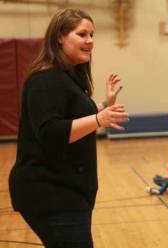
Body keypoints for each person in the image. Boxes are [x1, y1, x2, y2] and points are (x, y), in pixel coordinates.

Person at [8, 9, 129, 248]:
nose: (90, 40)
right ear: (60, 37)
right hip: (50, 194)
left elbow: (74, 117)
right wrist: (98, 120)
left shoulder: (68, 77)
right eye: (82, 34)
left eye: (92, 34)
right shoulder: (45, 79)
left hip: (68, 193)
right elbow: (50, 132)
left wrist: (104, 106)